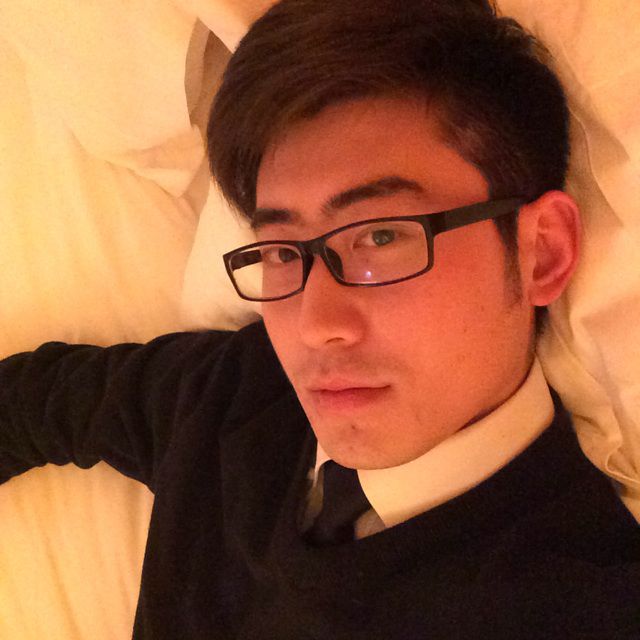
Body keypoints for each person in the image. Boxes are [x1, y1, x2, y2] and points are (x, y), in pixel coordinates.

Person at [1, 0, 639, 638]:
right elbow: (36, 404)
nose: (314, 325)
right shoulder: (232, 394)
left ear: (542, 252)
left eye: (381, 236)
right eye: (282, 251)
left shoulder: (589, 601)